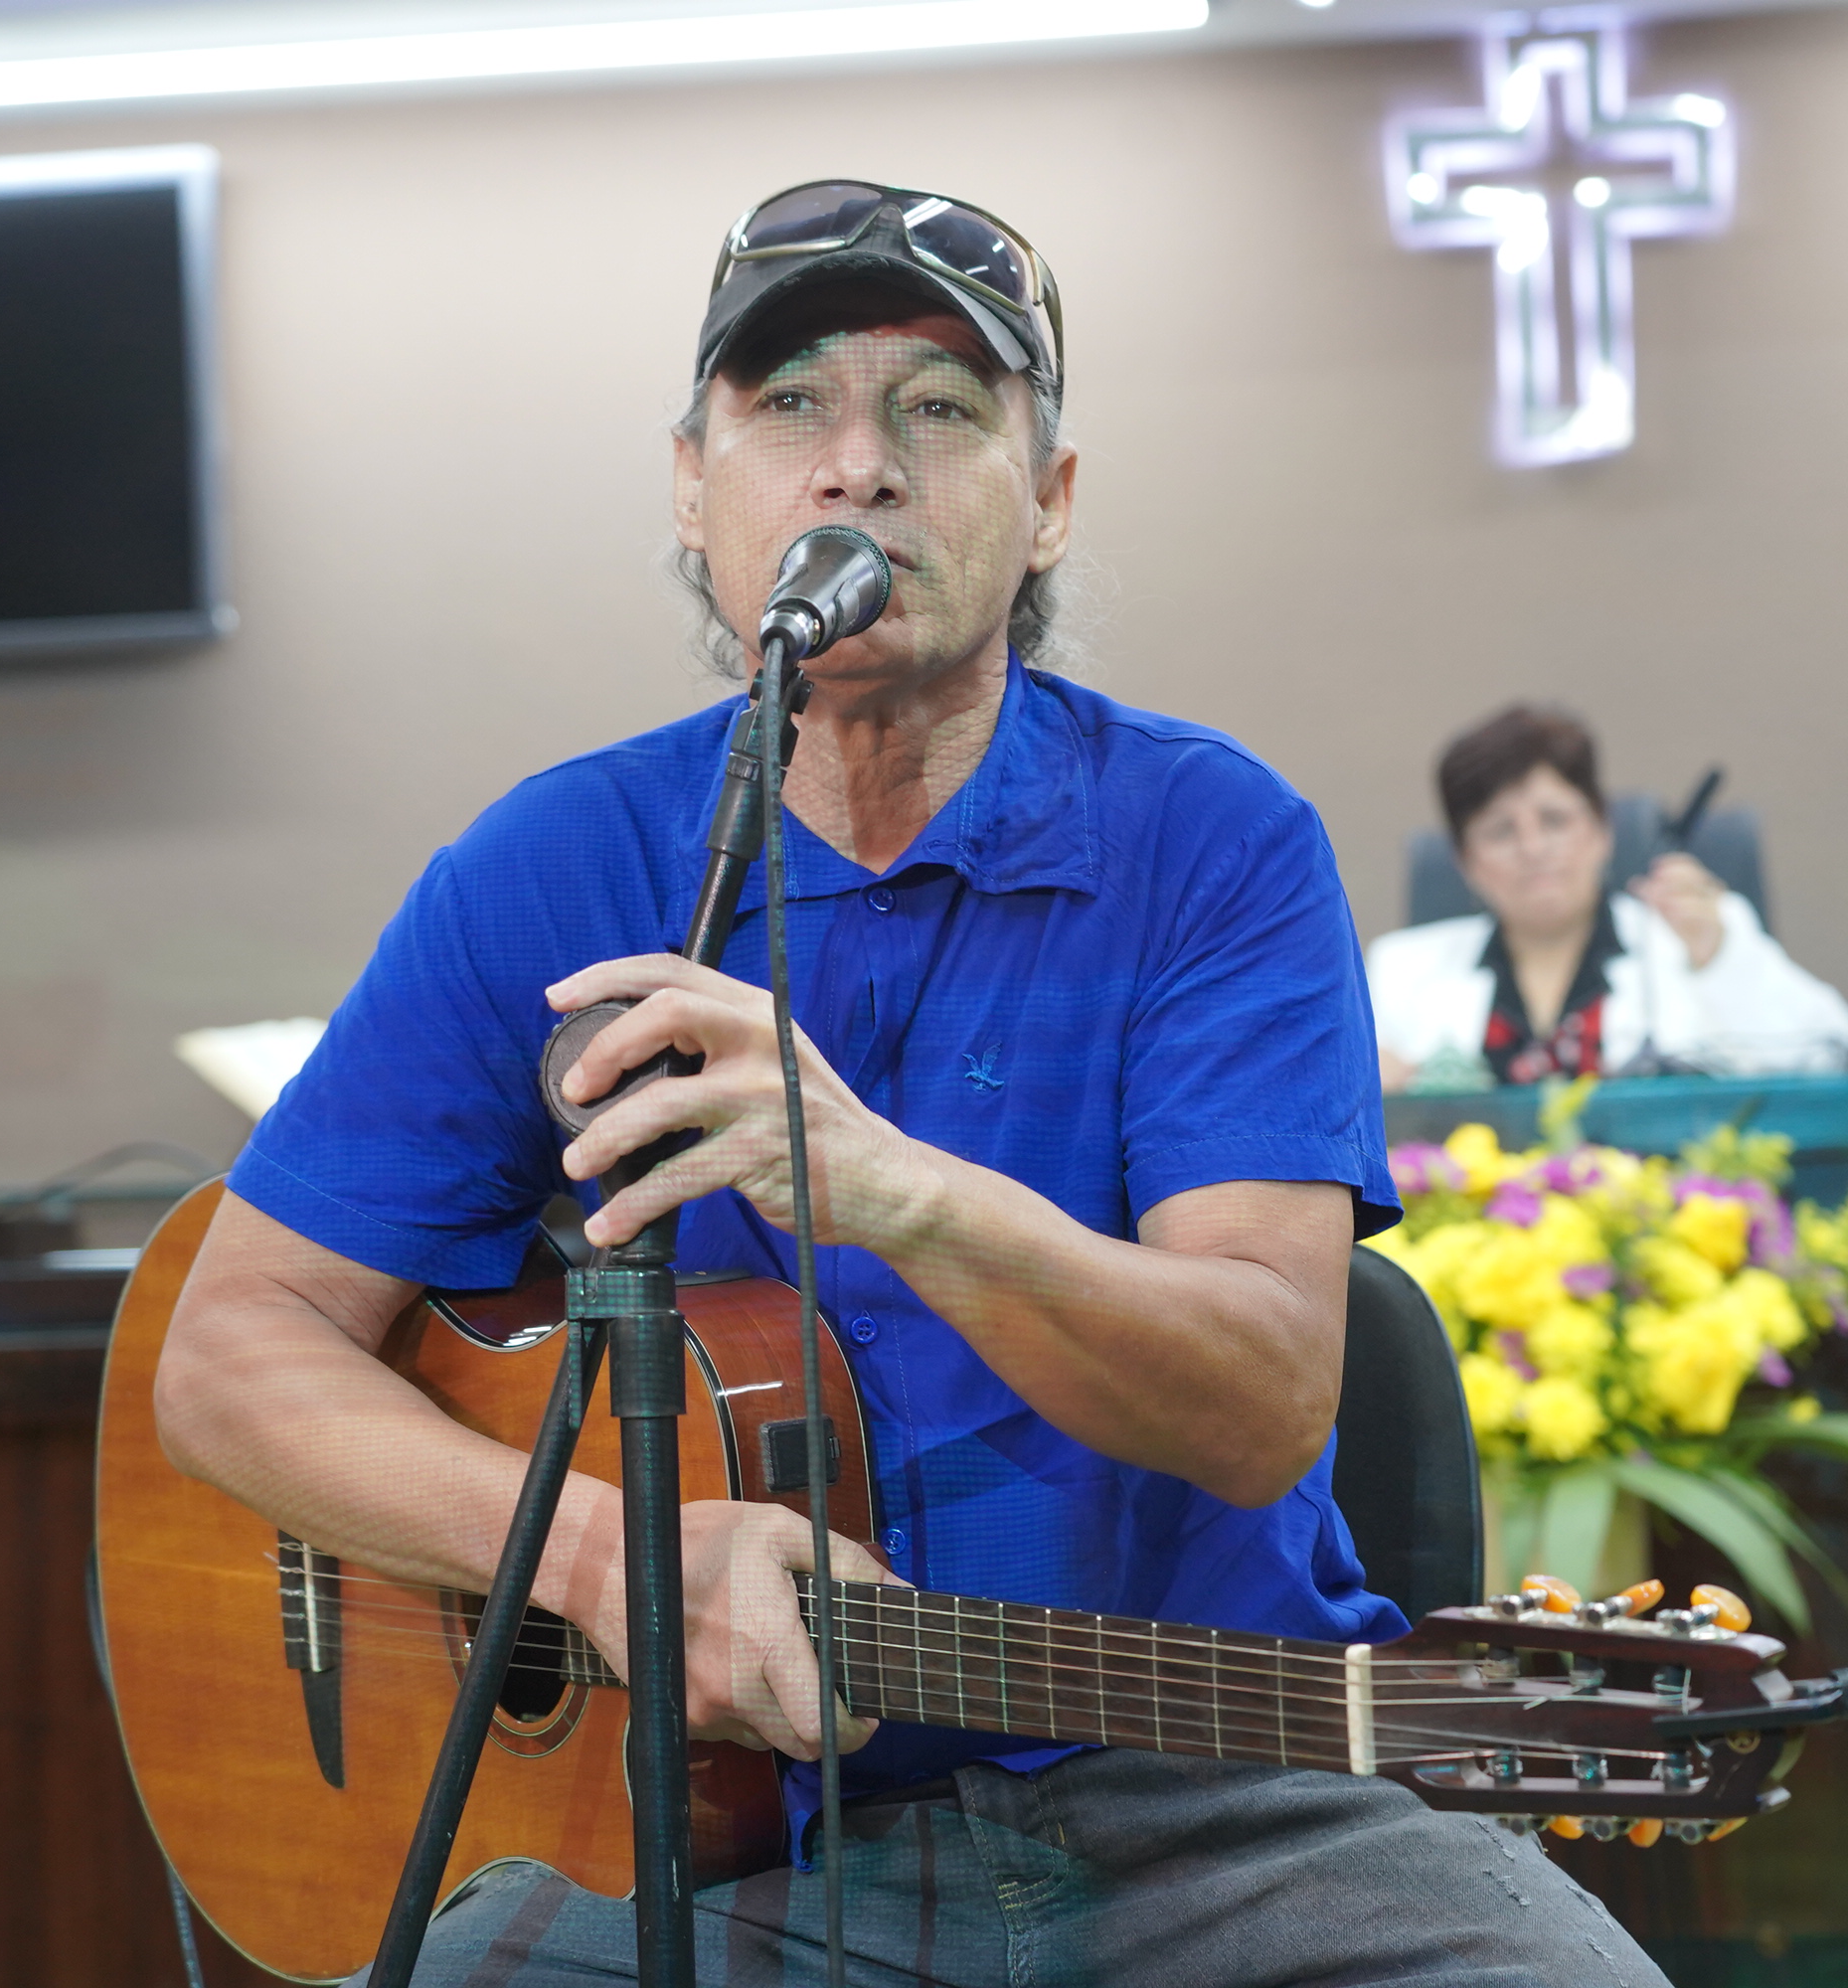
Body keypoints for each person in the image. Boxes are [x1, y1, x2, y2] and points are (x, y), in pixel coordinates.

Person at [151, 182, 1666, 1987]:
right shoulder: (547, 865)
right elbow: (229, 1352)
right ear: (691, 487)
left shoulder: (1213, 841)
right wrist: (600, 1561)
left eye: (939, 410)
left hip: (1226, 1804)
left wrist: (896, 1193)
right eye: (787, 403)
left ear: (1049, 503)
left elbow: (1263, 1400)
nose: (856, 464)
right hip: (707, 1844)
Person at [1368, 703, 1848, 1090]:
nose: (1533, 849)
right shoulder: (1401, 969)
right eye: (1501, 831)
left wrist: (1720, 959)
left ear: (1602, 830)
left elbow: (1829, 1052)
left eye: (1554, 821)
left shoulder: (1693, 936)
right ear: (1465, 861)